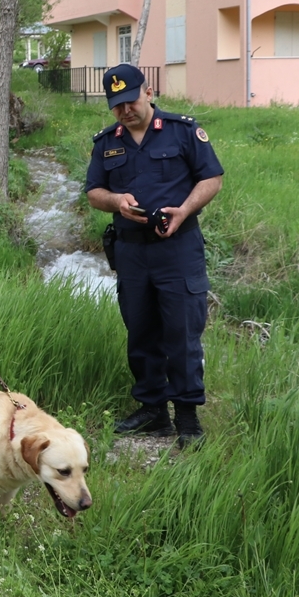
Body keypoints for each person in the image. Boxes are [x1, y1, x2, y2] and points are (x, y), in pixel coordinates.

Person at [84, 64, 223, 449]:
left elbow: (211, 178)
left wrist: (183, 210)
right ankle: (153, 410)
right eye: (116, 106)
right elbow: (94, 191)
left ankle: (188, 417)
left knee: (181, 333)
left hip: (177, 249)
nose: (125, 111)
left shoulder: (182, 130)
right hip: (131, 252)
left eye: (130, 101)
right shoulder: (107, 142)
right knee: (140, 332)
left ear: (147, 92)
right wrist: (115, 201)